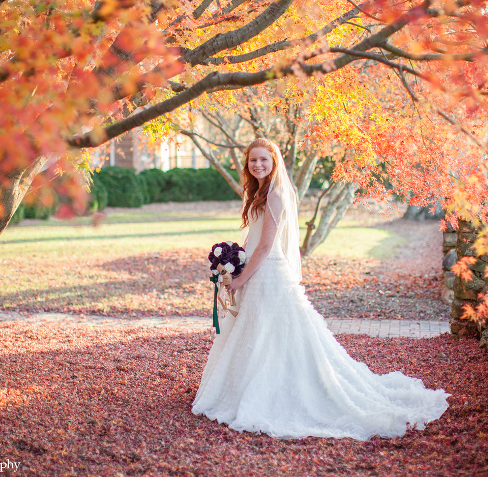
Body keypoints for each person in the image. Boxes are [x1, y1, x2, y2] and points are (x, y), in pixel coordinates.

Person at [192, 138, 449, 440]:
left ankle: (283, 394)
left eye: (264, 159)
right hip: (255, 273)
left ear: (274, 162)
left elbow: (265, 247)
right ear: (247, 165)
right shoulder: (259, 193)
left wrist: (240, 279)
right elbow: (252, 240)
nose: (258, 165)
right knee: (257, 337)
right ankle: (248, 389)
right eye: (253, 161)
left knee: (272, 339)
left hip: (268, 275)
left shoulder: (275, 195)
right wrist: (232, 262)